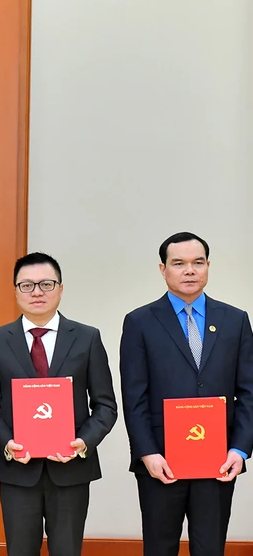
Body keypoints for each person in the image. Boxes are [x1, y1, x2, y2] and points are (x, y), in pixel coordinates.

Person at [120, 232, 253, 556]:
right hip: (161, 461)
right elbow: (133, 396)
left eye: (198, 263)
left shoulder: (235, 320)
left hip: (218, 461)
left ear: (208, 266)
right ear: (163, 269)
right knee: (160, 547)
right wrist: (147, 453)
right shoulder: (140, 321)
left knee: (210, 548)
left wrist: (240, 449)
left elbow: (248, 391)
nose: (189, 271)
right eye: (179, 263)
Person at [0, 252, 117, 556]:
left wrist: (83, 443)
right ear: (15, 291)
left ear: (61, 289)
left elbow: (105, 406)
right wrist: (6, 442)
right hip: (18, 471)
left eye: (46, 284)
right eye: (26, 285)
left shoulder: (87, 338)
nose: (37, 292)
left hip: (71, 471)